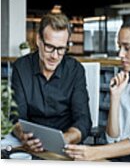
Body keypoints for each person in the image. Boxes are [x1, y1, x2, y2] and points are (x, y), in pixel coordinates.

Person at [64, 16, 130, 162]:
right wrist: (115, 97)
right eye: (119, 47)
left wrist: (93, 153)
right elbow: (111, 139)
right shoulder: (128, 88)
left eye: (127, 48)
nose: (120, 54)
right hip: (122, 159)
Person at [11, 13, 92, 152]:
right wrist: (23, 136)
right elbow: (16, 117)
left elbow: (83, 120)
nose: (55, 56)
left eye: (61, 49)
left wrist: (63, 140)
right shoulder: (21, 67)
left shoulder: (75, 70)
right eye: (49, 47)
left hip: (66, 146)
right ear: (38, 40)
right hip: (31, 145)